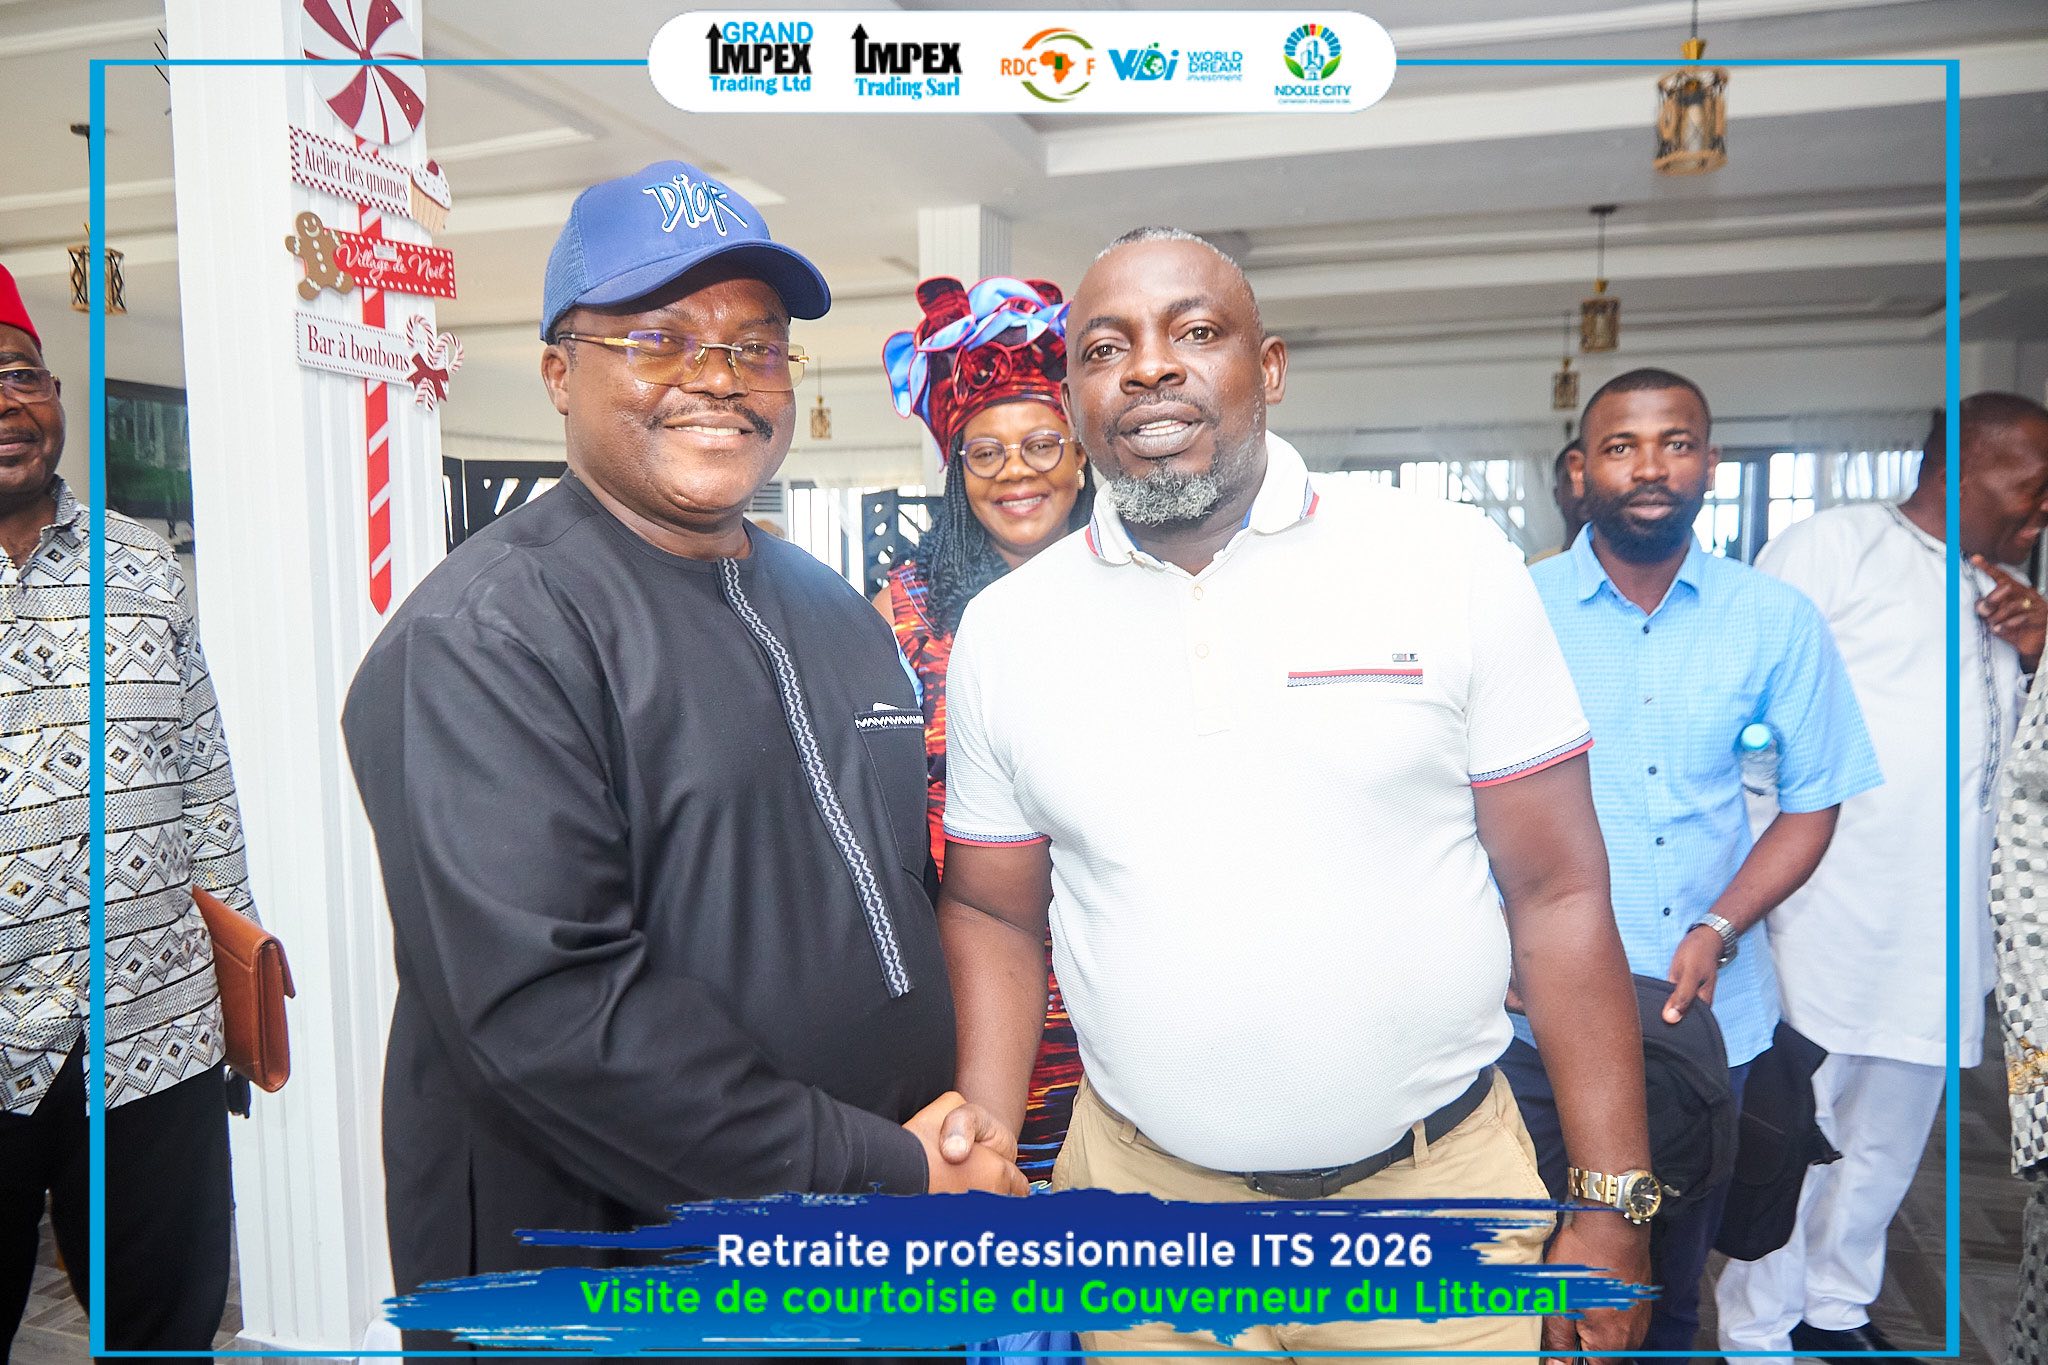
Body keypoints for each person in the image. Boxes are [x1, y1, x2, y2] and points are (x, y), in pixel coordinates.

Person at [933, 226, 1655, 1358]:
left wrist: (1614, 1200)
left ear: (1266, 368)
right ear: (1074, 400)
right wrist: (980, 1134)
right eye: (1104, 349)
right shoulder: (1008, 632)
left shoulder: (1445, 560)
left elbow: (1558, 889)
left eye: (1194, 331)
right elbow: (991, 910)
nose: (1148, 367)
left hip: (1429, 1213)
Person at [341, 163, 1023, 1309]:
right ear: (559, 374)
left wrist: (942, 1141)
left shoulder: (832, 608)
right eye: (657, 340)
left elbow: (895, 898)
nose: (716, 379)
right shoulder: (487, 636)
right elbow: (554, 1022)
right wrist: (886, 1168)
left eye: (754, 346)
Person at [1515, 366, 1883, 1357]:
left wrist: (1721, 925)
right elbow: (1452, 799)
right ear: (1579, 469)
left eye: (1674, 444)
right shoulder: (1512, 612)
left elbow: (1811, 802)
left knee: (1667, 1301)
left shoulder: (1773, 618)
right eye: (1621, 446)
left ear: (1709, 464)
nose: (1650, 467)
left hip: (1704, 1021)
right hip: (1532, 1018)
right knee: (1517, 1297)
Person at [1725, 393, 2048, 1364]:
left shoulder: (2005, 590)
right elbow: (1745, 717)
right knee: (1794, 1131)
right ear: (1962, 468)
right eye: (2031, 485)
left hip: (1942, 928)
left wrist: (2039, 651)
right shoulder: (1831, 549)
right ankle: (1756, 1330)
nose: (2042, 509)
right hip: (1823, 914)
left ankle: (1833, 1308)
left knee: (1888, 1139)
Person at [0, 262, 259, 1354]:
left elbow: (205, 777)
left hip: (154, 1032)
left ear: (55, 393)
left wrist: (243, 982)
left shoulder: (142, 567)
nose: (8, 405)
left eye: (20, 375)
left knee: (163, 1332)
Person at [874, 275, 1091, 1182]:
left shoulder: (1144, 590)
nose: (1016, 472)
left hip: (1122, 983)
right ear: (958, 473)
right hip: (971, 980)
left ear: (1082, 456)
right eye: (985, 452)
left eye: (1042, 443)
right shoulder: (902, 614)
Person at [1529, 437, 1586, 564]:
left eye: (1592, 477)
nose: (1585, 486)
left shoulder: (1632, 569)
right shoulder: (1536, 569)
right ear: (1556, 495)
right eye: (1571, 478)